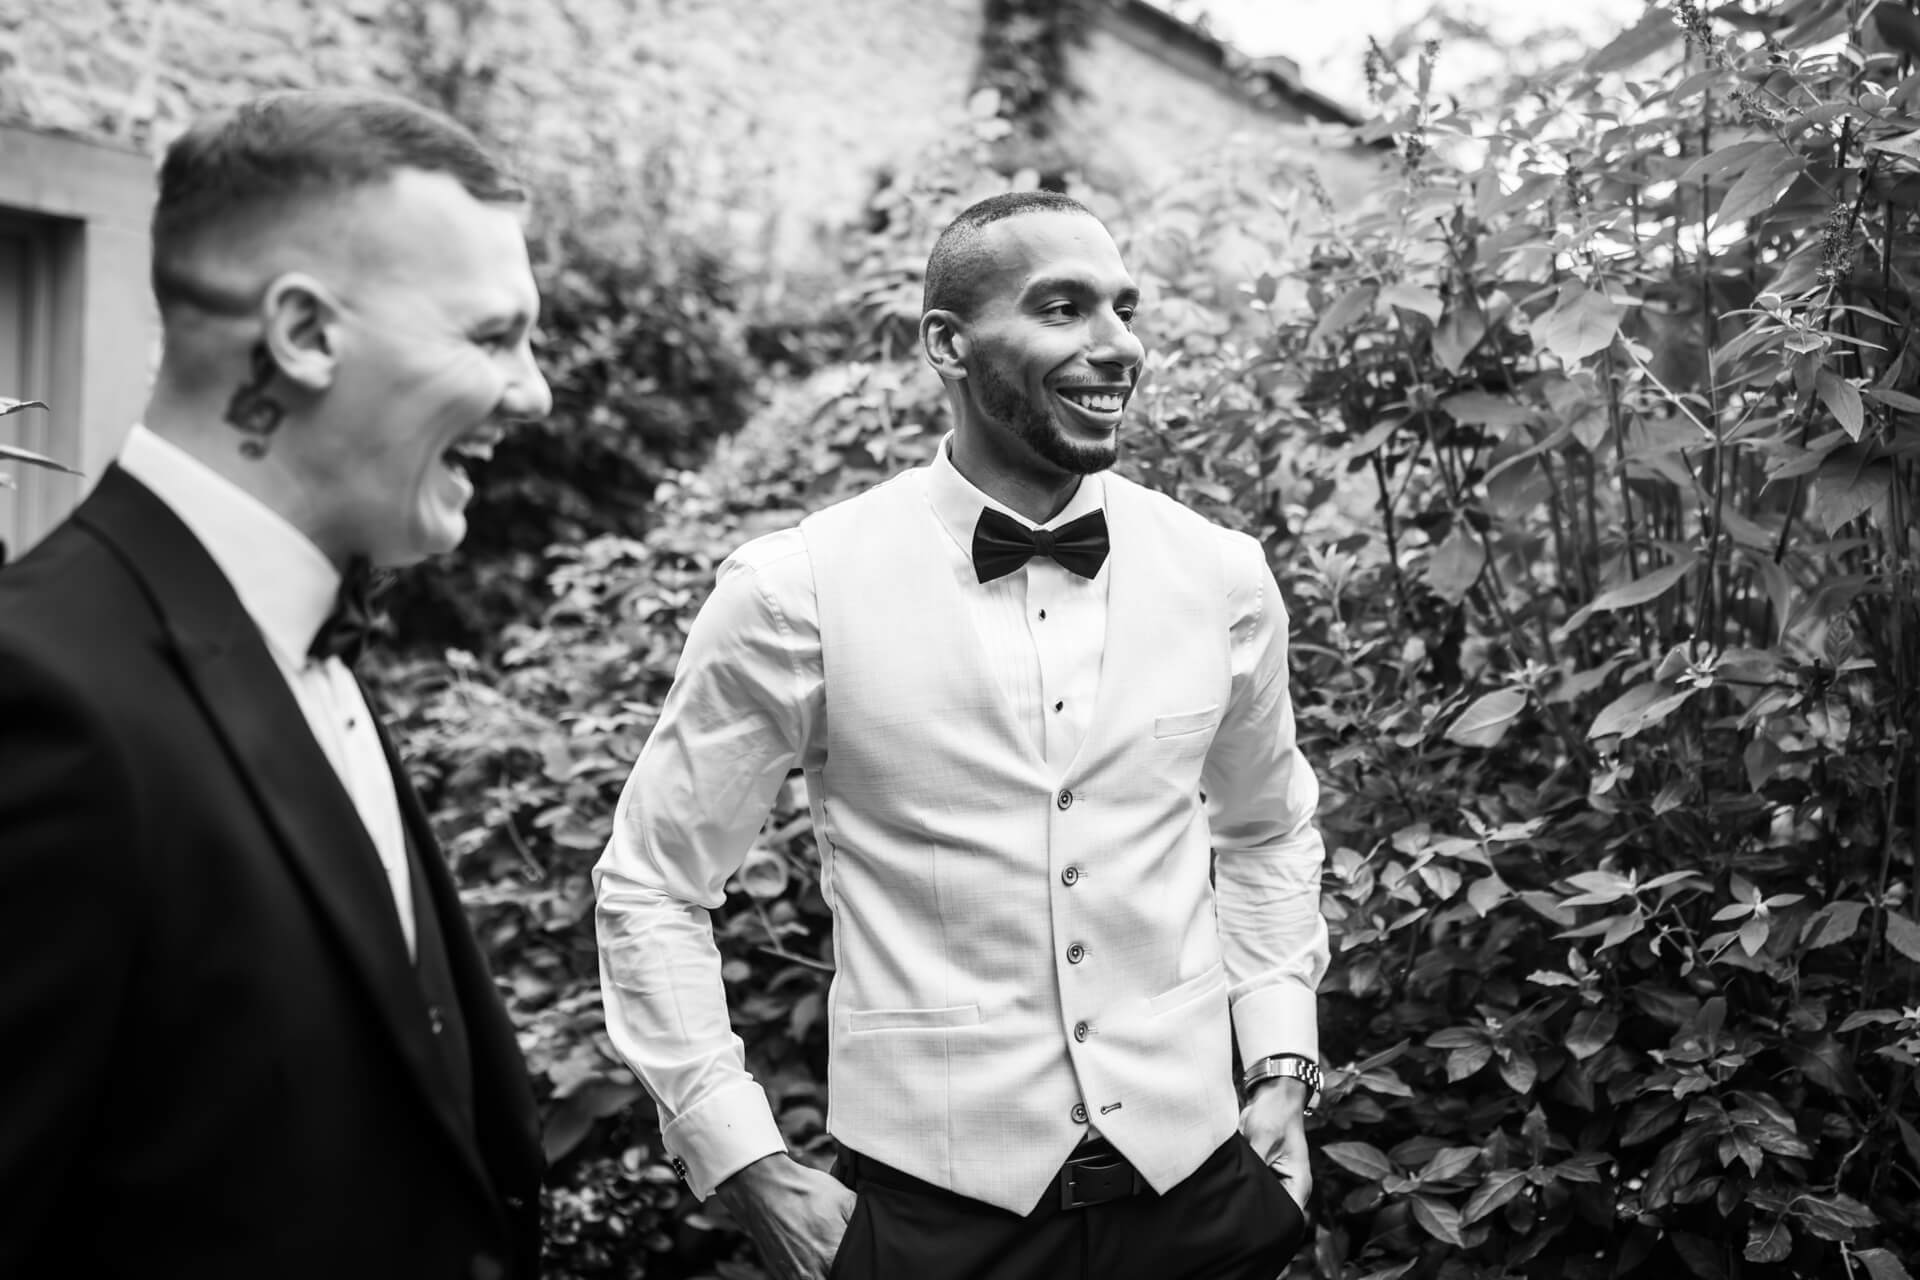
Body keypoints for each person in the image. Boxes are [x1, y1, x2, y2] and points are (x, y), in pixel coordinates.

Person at [595, 190, 1328, 1280]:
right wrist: (744, 1160)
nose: (1117, 344)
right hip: (933, 1228)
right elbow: (653, 883)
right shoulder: (795, 588)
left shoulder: (1220, 574)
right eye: (1065, 307)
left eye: (1124, 308)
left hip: (1207, 1199)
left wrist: (1280, 1059)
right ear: (948, 341)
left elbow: (1267, 828)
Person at [0, 90, 552, 1279]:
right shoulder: (38, 698)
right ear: (303, 334)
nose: (534, 391)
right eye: (495, 336)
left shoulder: (308, 642)